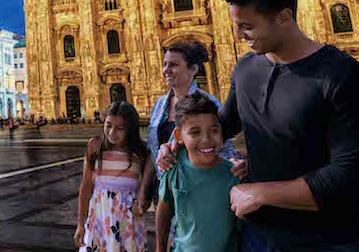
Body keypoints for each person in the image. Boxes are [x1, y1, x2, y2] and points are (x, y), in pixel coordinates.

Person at [156, 0, 359, 252]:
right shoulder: (247, 69)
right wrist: (177, 144)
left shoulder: (339, 73)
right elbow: (222, 125)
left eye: (246, 26)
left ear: (283, 18)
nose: (237, 35)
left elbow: (353, 180)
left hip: (327, 239)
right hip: (258, 236)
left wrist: (261, 192)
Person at [135, 42, 245, 216]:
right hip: (165, 194)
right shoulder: (159, 105)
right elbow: (153, 152)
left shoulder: (208, 104)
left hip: (198, 195)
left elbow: (224, 152)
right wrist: (143, 193)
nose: (166, 70)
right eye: (165, 64)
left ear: (193, 70)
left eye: (173, 65)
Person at [156, 92, 240, 252]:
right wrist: (160, 248)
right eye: (195, 132)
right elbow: (164, 210)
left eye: (214, 130)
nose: (206, 139)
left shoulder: (233, 174)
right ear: (179, 136)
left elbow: (240, 227)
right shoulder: (173, 167)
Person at [74, 101, 148, 252]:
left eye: (120, 128)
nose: (112, 133)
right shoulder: (95, 146)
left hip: (127, 224)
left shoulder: (140, 152)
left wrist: (142, 203)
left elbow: (147, 189)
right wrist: (80, 224)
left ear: (130, 129)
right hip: (99, 220)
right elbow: (86, 187)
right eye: (108, 125)